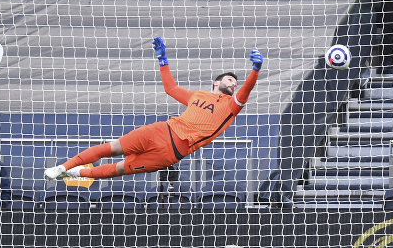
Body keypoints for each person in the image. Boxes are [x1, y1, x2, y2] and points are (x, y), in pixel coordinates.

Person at [44, 37, 262, 180]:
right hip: (162, 130)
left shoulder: (232, 107)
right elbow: (170, 88)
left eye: (235, 82)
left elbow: (246, 90)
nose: (234, 83)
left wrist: (255, 70)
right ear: (216, 83)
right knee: (112, 147)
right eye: (229, 79)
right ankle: (63, 167)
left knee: (119, 169)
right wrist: (162, 59)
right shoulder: (198, 96)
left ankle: (75, 173)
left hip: (171, 153)